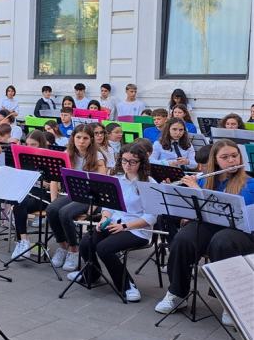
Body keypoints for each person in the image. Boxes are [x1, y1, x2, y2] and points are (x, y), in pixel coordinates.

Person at [155, 140, 254, 325]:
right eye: (225, 157)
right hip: (211, 225)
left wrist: (197, 191)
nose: (231, 161)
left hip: (241, 231)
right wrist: (172, 188)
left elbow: (237, 214)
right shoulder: (205, 178)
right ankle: (177, 292)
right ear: (215, 161)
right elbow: (191, 207)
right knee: (183, 239)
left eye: (234, 156)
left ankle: (230, 303)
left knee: (222, 242)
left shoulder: (250, 183)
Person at [71, 144, 157, 302]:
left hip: (137, 230)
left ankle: (127, 285)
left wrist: (124, 226)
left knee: (104, 248)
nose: (127, 165)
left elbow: (151, 218)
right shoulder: (117, 179)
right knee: (85, 242)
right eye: (124, 161)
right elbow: (109, 205)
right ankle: (92, 274)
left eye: (133, 162)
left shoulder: (149, 183)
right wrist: (104, 218)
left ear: (141, 163)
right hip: (114, 223)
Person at [46, 124, 108, 272]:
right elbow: (55, 178)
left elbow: (102, 185)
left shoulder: (98, 157)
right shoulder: (68, 153)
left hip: (90, 198)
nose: (81, 141)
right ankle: (62, 246)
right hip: (73, 194)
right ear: (73, 138)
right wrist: (54, 200)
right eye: (78, 137)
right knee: (51, 209)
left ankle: (74, 250)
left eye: (85, 138)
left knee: (65, 213)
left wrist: (91, 210)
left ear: (91, 140)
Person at [9, 131, 53, 261]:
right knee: (18, 202)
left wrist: (43, 182)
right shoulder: (24, 157)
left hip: (44, 195)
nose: (29, 147)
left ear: (41, 144)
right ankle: (23, 240)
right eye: (27, 144)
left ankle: (22, 242)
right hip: (28, 193)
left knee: (19, 204)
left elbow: (56, 186)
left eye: (33, 144)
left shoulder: (49, 159)